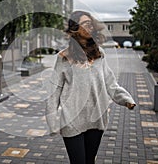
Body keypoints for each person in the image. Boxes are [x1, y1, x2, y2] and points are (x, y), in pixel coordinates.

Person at [45, 10, 136, 164]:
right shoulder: (64, 57)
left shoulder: (99, 54)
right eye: (85, 24)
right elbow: (54, 91)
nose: (90, 27)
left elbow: (110, 83)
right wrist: (52, 120)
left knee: (89, 161)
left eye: (90, 23)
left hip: (96, 117)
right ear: (75, 29)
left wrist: (126, 99)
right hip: (72, 119)